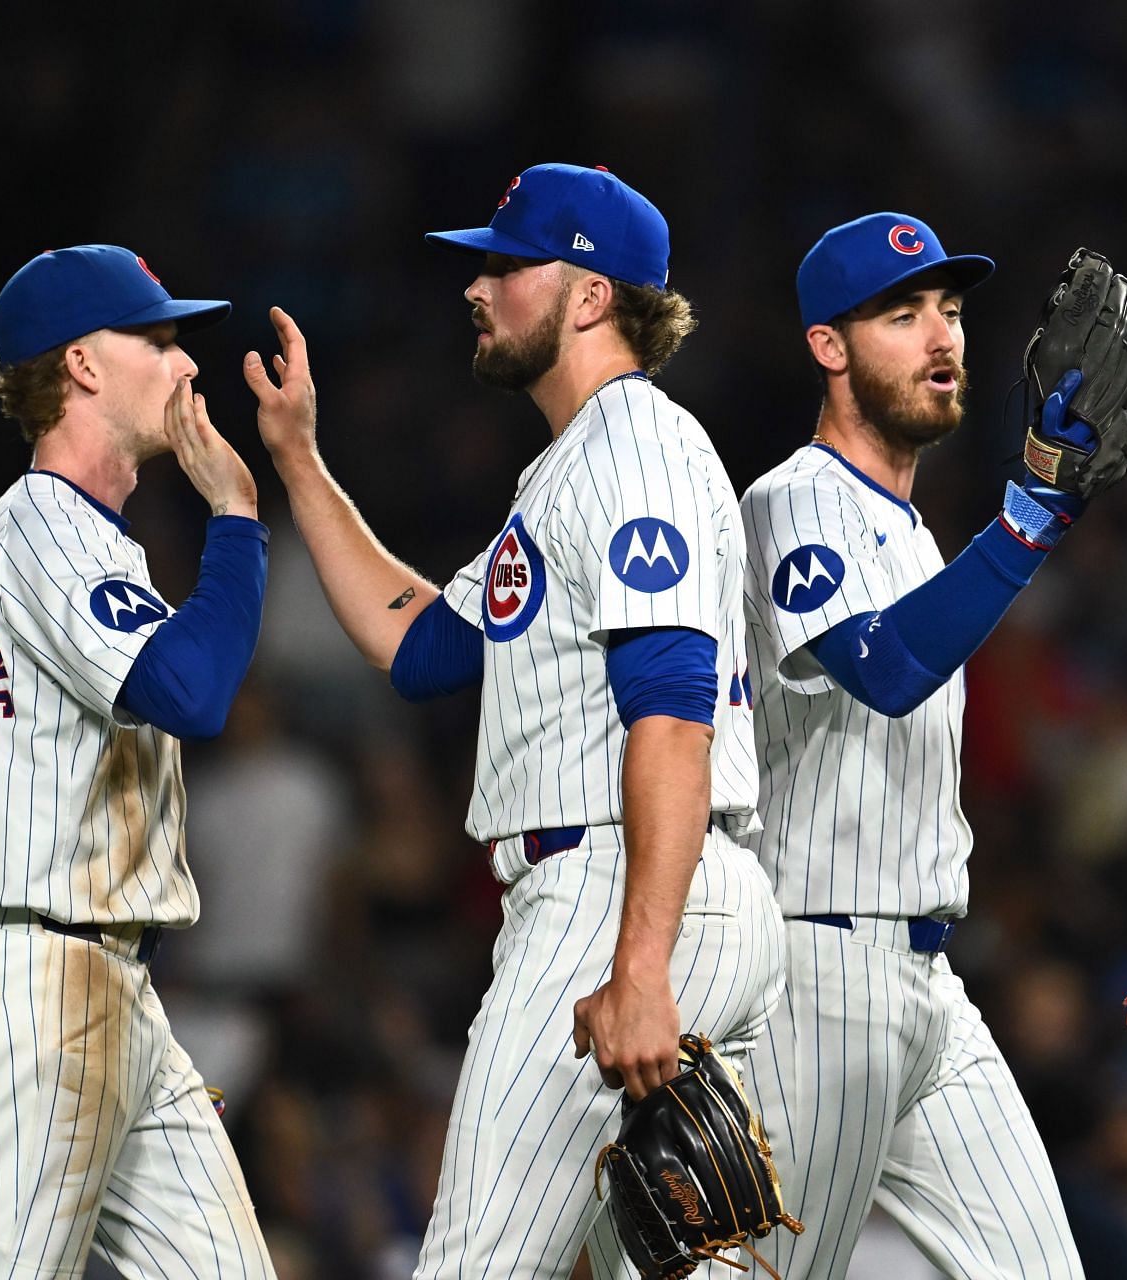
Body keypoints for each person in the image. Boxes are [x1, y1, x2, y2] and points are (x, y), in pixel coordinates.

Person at [241, 162, 783, 1276]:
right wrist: (297, 460)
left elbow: (673, 718)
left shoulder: (634, 453)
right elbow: (424, 642)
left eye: (506, 263)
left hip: (619, 890)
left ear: (589, 294)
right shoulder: (570, 470)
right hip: (648, 891)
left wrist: (639, 961)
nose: (477, 288)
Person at [739, 212, 1107, 1279]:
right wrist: (1026, 522)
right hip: (815, 974)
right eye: (900, 314)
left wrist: (1021, 511)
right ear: (828, 345)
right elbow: (886, 668)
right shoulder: (793, 497)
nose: (941, 335)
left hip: (928, 983)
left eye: (948, 309)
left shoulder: (912, 529)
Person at [0, 244, 273, 1276]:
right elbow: (193, 690)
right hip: (31, 980)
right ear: (80, 364)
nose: (185, 364)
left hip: (109, 985)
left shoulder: (91, 544)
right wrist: (238, 520)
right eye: (156, 339)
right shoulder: (35, 525)